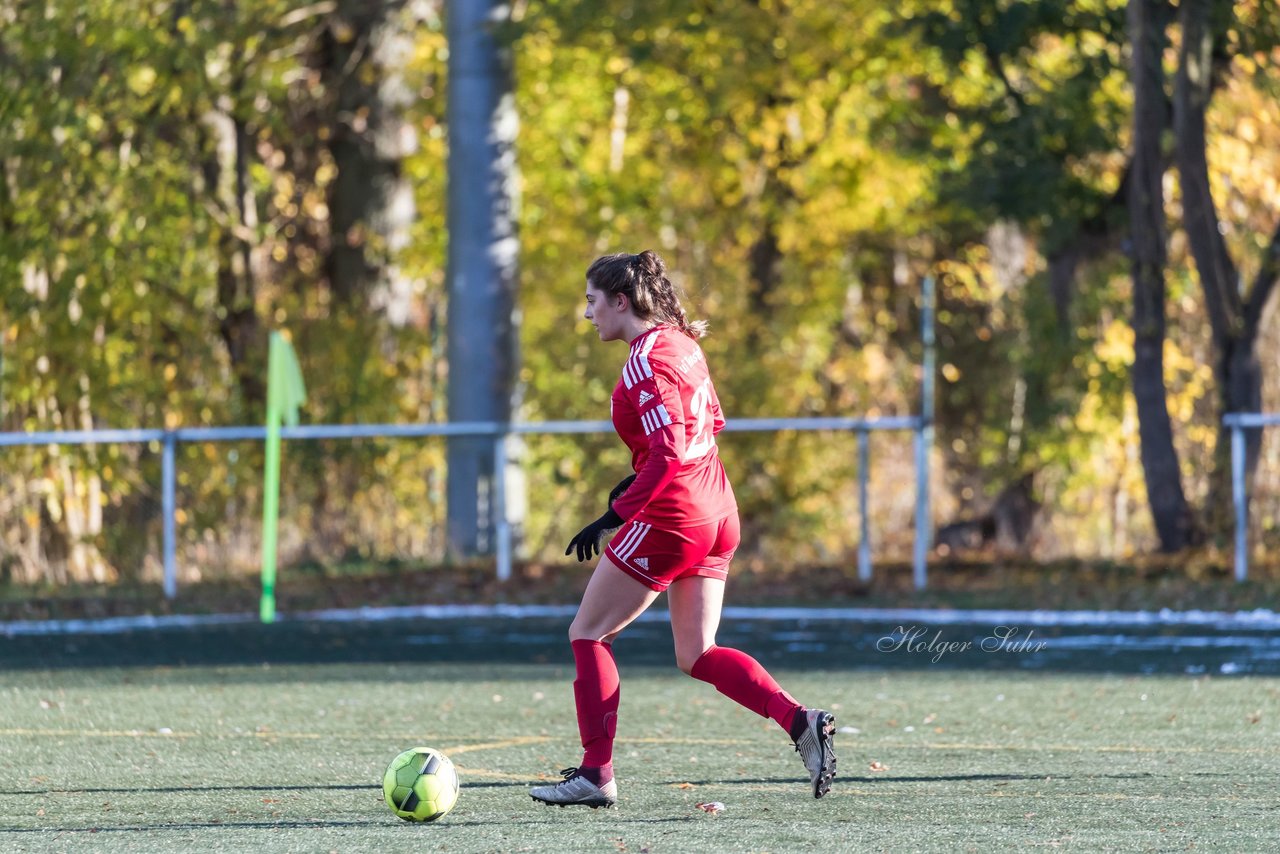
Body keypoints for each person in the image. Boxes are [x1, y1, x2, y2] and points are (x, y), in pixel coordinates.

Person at [530, 250, 836, 810]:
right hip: (718, 509)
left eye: (592, 301)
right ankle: (801, 721)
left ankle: (596, 774)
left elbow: (669, 448)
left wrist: (618, 513)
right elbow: (708, 426)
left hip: (675, 516)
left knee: (588, 633)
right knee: (696, 653)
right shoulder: (683, 344)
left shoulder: (646, 358)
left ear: (621, 301)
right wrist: (637, 480)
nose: (587, 313)